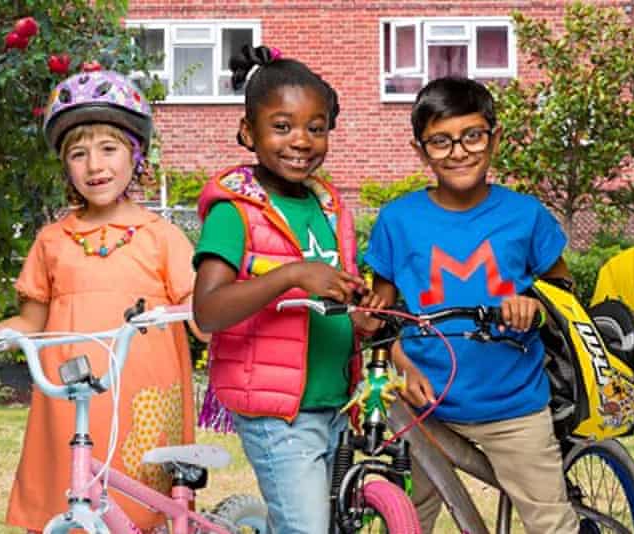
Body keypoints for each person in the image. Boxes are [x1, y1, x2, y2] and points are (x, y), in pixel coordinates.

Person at [0, 70, 196, 533]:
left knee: (141, 503)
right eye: (78, 154)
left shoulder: (162, 236)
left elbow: (199, 312)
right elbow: (31, 322)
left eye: (109, 149)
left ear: (135, 155)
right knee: (69, 491)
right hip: (70, 394)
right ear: (66, 167)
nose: (94, 165)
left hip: (140, 393)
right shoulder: (53, 240)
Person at [364, 76, 580, 533]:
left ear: (494, 137)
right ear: (420, 149)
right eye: (440, 142)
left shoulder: (525, 215)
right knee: (407, 520)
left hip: (514, 406)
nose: (458, 152)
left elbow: (564, 293)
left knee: (550, 522)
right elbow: (384, 312)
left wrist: (532, 304)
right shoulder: (397, 220)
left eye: (472, 136)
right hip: (427, 406)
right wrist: (384, 340)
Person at [192, 45, 382, 534]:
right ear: (247, 132)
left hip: (337, 402)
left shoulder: (330, 209)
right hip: (279, 414)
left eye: (315, 128)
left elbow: (326, 299)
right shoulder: (234, 213)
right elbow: (208, 311)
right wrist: (291, 274)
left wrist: (357, 315)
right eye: (282, 126)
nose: (301, 141)